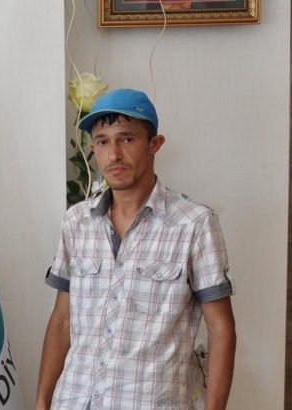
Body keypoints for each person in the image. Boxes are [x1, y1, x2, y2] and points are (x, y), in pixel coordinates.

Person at [35, 88, 236, 409]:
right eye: (102, 142)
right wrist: (42, 401)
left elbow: (220, 326)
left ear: (154, 144)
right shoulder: (76, 222)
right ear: (93, 149)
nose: (114, 154)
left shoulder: (194, 224)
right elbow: (62, 320)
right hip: (73, 400)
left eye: (126, 139)